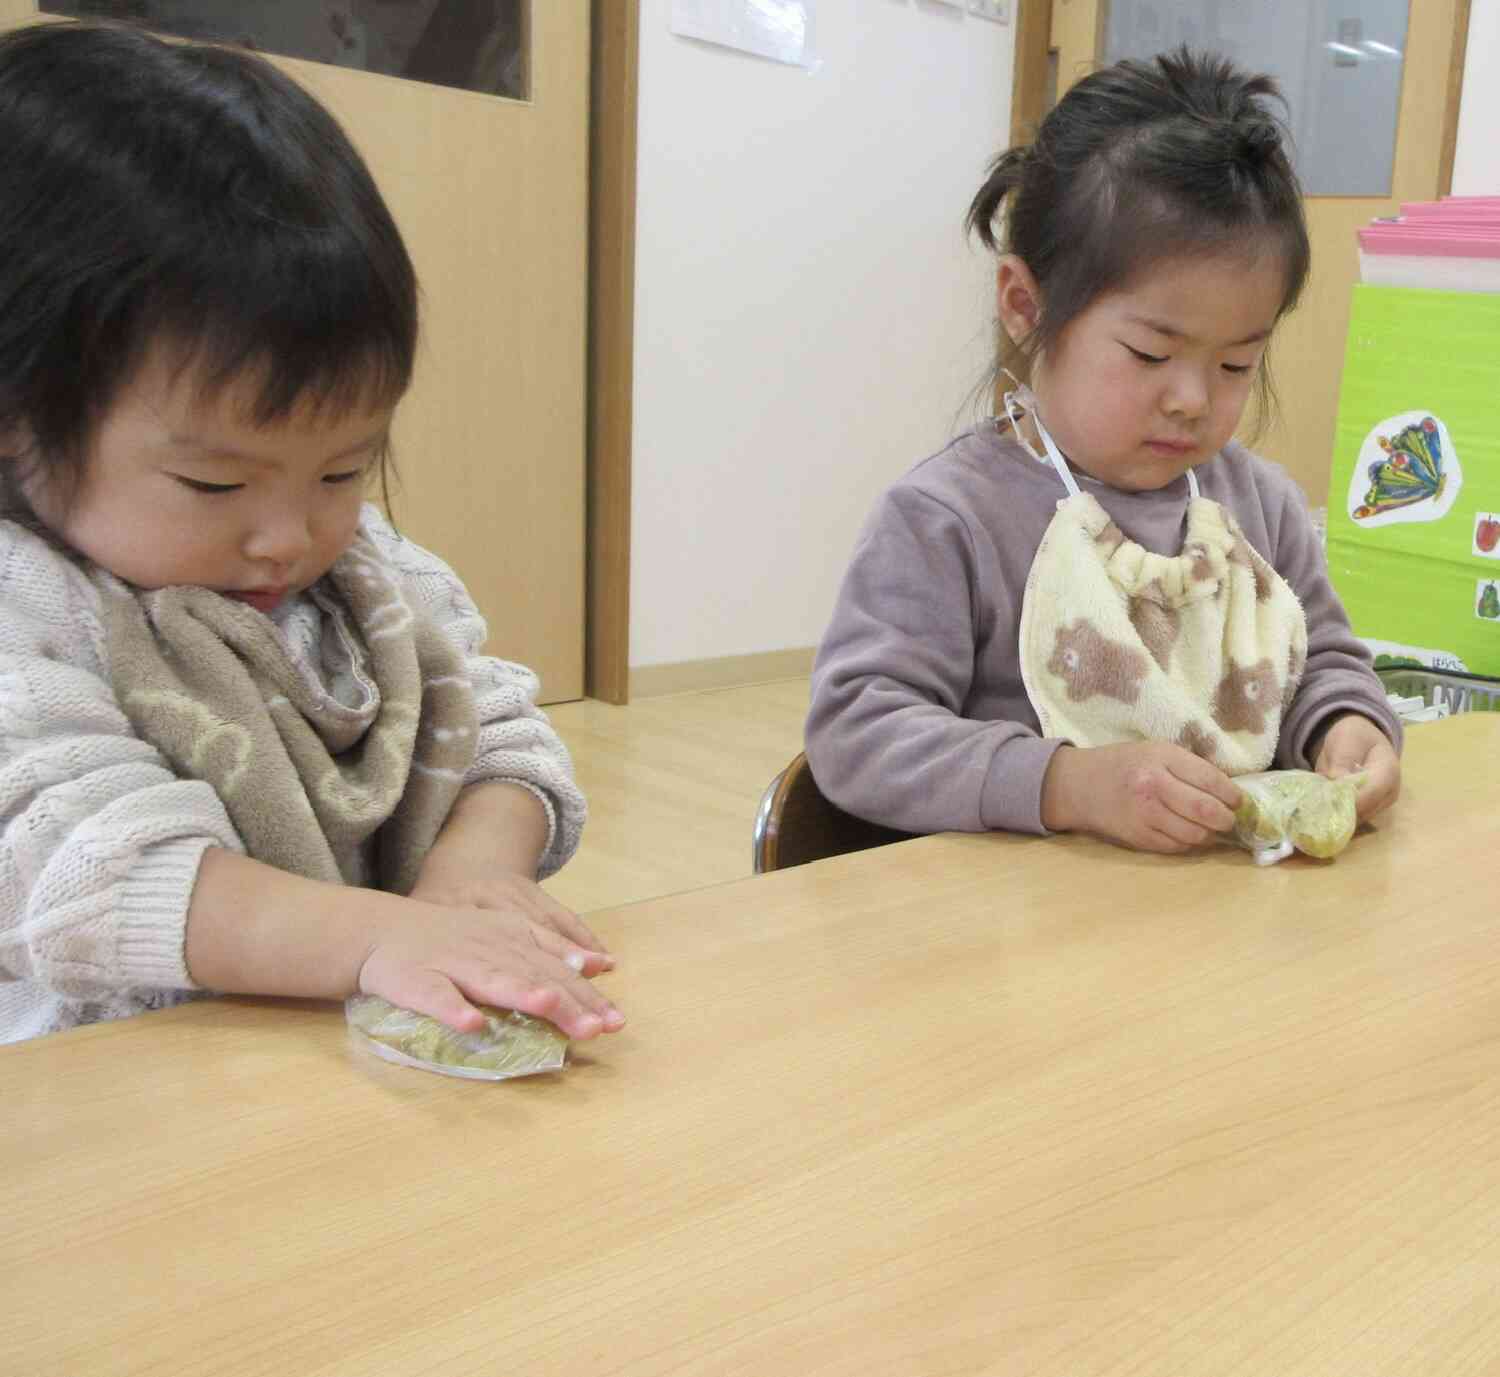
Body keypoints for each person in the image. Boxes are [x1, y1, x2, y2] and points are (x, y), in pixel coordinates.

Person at [0, 20, 623, 1044]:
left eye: (344, 467)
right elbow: (75, 858)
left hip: (322, 1073)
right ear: (17, 418)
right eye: (214, 481)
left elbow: (504, 734)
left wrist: (472, 872)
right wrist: (375, 937)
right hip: (101, 1116)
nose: (291, 537)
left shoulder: (368, 575)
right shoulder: (31, 606)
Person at [805, 47, 1402, 855]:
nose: (1192, 397)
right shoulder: (950, 519)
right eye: (1152, 354)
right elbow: (857, 733)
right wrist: (1065, 784)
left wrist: (1346, 725)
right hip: (1016, 940)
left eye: (1235, 364)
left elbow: (1322, 660)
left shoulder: (1259, 509)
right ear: (1025, 305)